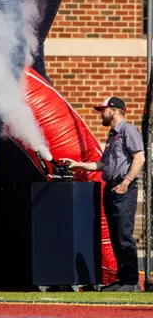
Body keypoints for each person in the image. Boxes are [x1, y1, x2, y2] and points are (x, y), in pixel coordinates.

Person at [61, 96, 145, 292]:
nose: (101, 114)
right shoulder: (112, 135)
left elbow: (139, 158)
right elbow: (102, 164)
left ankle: (131, 282)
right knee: (116, 236)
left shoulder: (128, 131)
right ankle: (122, 279)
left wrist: (125, 183)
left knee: (124, 235)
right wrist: (78, 165)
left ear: (113, 111)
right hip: (111, 189)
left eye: (103, 110)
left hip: (123, 189)